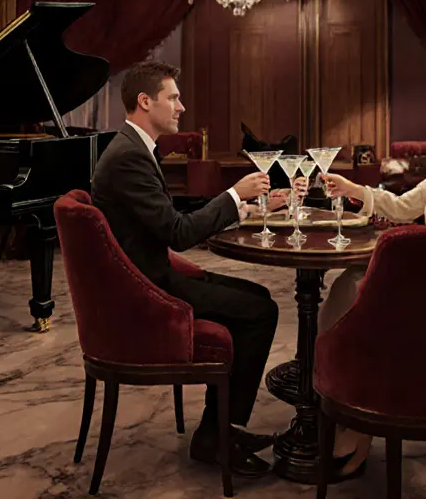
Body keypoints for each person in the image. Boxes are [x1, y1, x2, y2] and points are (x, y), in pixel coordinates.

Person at [295, 73, 426, 477]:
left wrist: (407, 264)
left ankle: (358, 428)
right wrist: (353, 188)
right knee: (345, 285)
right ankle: (336, 397)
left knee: (363, 304)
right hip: (425, 280)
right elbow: (402, 205)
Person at [91, 61, 285, 477]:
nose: (181, 107)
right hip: (147, 293)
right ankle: (216, 435)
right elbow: (178, 233)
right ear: (145, 101)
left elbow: (168, 219)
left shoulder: (134, 147)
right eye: (173, 97)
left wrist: (249, 207)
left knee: (259, 298)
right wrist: (233, 194)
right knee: (260, 312)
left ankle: (221, 428)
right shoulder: (128, 156)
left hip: (148, 276)